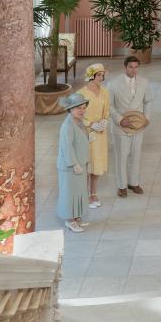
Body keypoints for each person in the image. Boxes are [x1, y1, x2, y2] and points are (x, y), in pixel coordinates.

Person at [108, 56, 153, 198]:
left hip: (138, 126)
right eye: (130, 67)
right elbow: (108, 105)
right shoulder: (113, 84)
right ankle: (121, 186)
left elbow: (148, 101)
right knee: (121, 157)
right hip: (120, 127)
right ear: (125, 67)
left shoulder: (144, 82)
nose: (133, 70)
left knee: (136, 155)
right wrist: (120, 120)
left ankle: (134, 183)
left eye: (136, 67)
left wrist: (146, 118)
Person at [57, 93, 91, 233]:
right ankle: (69, 220)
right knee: (69, 193)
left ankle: (76, 217)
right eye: (78, 108)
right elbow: (67, 146)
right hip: (70, 167)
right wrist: (74, 164)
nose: (82, 111)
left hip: (80, 164)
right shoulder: (67, 125)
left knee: (79, 192)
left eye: (83, 108)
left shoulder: (78, 122)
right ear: (70, 109)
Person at [77, 63, 110, 209]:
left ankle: (93, 193)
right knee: (86, 163)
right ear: (91, 76)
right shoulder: (81, 94)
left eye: (103, 75)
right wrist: (90, 124)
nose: (102, 78)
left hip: (100, 134)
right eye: (99, 75)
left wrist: (104, 121)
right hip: (86, 133)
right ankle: (83, 194)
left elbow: (107, 109)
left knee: (97, 164)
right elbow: (76, 115)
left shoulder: (105, 92)